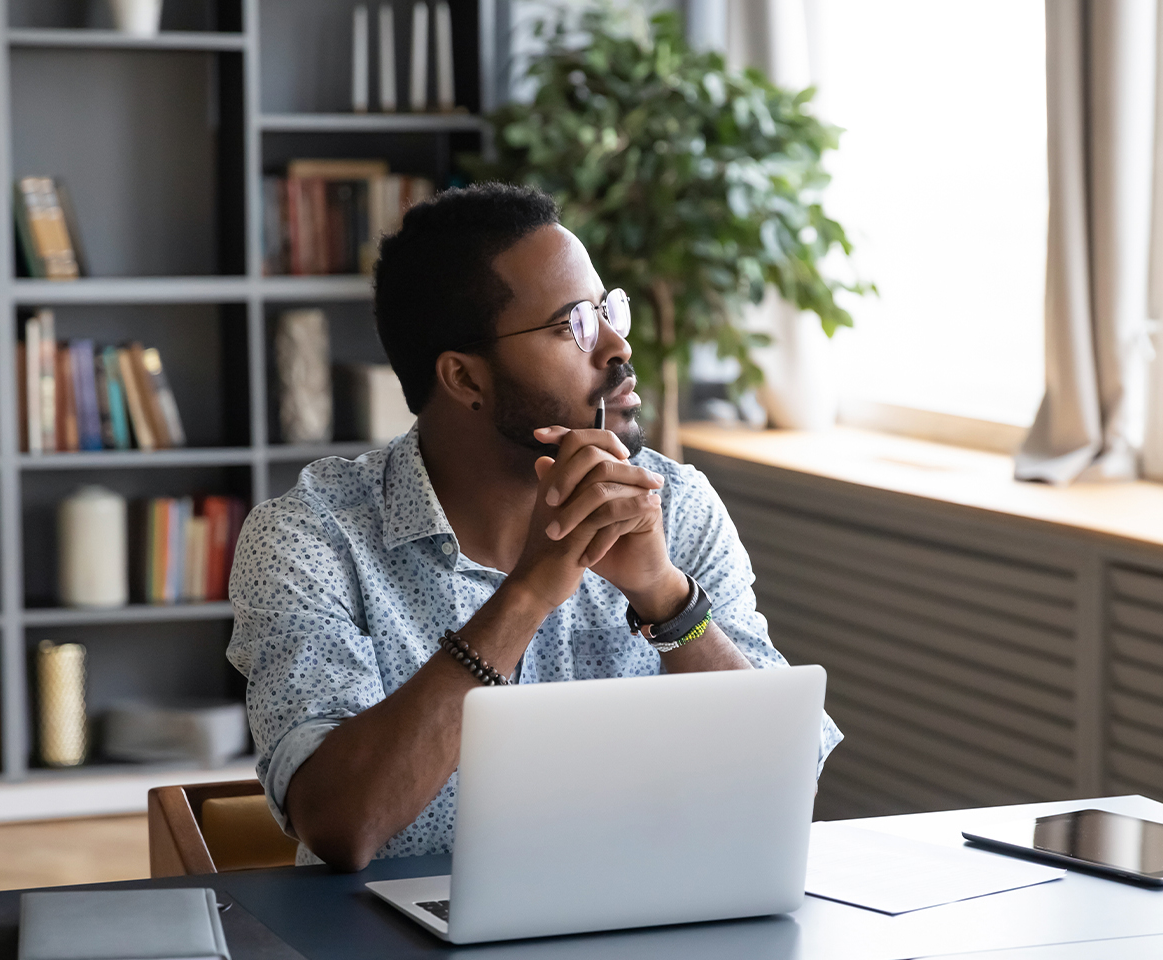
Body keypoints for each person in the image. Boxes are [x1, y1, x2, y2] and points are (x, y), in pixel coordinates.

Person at [227, 183, 842, 872]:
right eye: (571, 325)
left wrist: (666, 599)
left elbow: (790, 783)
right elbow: (343, 825)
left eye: (610, 311)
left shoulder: (677, 506)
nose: (616, 345)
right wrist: (526, 595)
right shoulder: (312, 538)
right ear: (465, 378)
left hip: (652, 923)